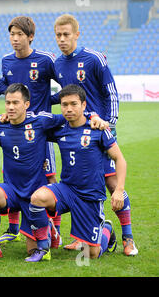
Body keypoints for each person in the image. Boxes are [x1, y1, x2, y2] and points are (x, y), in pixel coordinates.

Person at [0, 83, 107, 261]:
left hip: (35, 193)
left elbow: (70, 115)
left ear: (27, 104)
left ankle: (51, 232)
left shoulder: (41, 120)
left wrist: (94, 116)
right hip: (11, 190)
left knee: (32, 250)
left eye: (16, 102)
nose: (11, 107)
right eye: (8, 103)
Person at [52, 14, 137, 256]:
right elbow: (63, 97)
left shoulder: (94, 59)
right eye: (58, 35)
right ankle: (84, 236)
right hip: (76, 133)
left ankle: (128, 238)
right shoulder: (58, 64)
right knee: (77, 181)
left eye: (66, 34)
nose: (62, 39)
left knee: (112, 183)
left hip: (99, 131)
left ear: (77, 34)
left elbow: (111, 92)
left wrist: (107, 124)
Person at [27, 84, 126, 262]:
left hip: (90, 195)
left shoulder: (98, 129)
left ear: (84, 105)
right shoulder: (59, 128)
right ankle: (44, 245)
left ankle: (107, 230)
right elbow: (33, 124)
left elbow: (120, 159)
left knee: (90, 255)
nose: (69, 109)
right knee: (37, 198)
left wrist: (119, 189)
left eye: (74, 104)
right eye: (64, 105)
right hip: (66, 189)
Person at [0, 16, 61, 244]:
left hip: (39, 131)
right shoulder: (7, 61)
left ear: (30, 37)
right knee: (13, 173)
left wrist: (48, 102)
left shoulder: (46, 60)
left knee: (49, 177)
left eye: (20, 35)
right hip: (15, 128)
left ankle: (54, 230)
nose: (15, 39)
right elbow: (5, 88)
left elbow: (65, 86)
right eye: (12, 34)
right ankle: (13, 227)